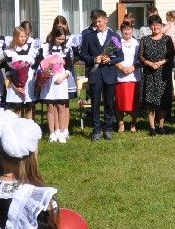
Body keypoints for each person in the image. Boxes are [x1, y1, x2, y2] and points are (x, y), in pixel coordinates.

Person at [76, 10, 124, 141]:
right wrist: (93, 60)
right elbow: (82, 55)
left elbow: (121, 56)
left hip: (109, 73)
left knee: (109, 103)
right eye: (95, 22)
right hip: (95, 74)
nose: (97, 24)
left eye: (100, 21)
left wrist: (110, 60)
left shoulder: (115, 36)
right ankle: (96, 129)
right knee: (95, 104)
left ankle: (108, 128)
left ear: (106, 20)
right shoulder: (89, 36)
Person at [139, 14, 175, 135]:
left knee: (163, 101)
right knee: (150, 102)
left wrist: (160, 63)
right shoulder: (144, 39)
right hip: (149, 73)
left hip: (163, 74)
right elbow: (141, 55)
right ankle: (152, 127)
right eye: (153, 24)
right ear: (150, 26)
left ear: (161, 25)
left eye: (157, 24)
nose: (155, 27)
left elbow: (171, 55)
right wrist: (150, 63)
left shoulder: (167, 39)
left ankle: (161, 125)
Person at [37, 26, 74, 144]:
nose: (61, 41)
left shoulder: (66, 49)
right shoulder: (45, 48)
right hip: (49, 80)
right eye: (59, 39)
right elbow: (40, 62)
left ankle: (63, 132)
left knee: (61, 106)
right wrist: (44, 72)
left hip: (61, 80)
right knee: (50, 107)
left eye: (63, 39)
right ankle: (53, 132)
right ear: (53, 37)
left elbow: (69, 66)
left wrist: (64, 76)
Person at [3, 26, 37, 120]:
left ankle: (29, 129)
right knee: (17, 108)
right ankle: (17, 129)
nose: (23, 38)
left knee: (29, 108)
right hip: (15, 84)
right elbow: (8, 71)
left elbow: (34, 68)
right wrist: (16, 86)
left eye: (24, 36)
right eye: (20, 36)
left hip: (29, 83)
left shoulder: (31, 50)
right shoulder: (10, 52)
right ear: (15, 37)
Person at [115, 21, 140, 133]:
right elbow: (111, 57)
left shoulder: (137, 43)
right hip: (120, 77)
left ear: (132, 30)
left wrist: (132, 68)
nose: (126, 31)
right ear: (121, 31)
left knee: (134, 102)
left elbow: (141, 59)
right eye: (124, 29)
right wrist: (121, 67)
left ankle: (133, 124)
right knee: (120, 102)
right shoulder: (116, 42)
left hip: (134, 77)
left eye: (129, 29)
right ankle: (121, 124)